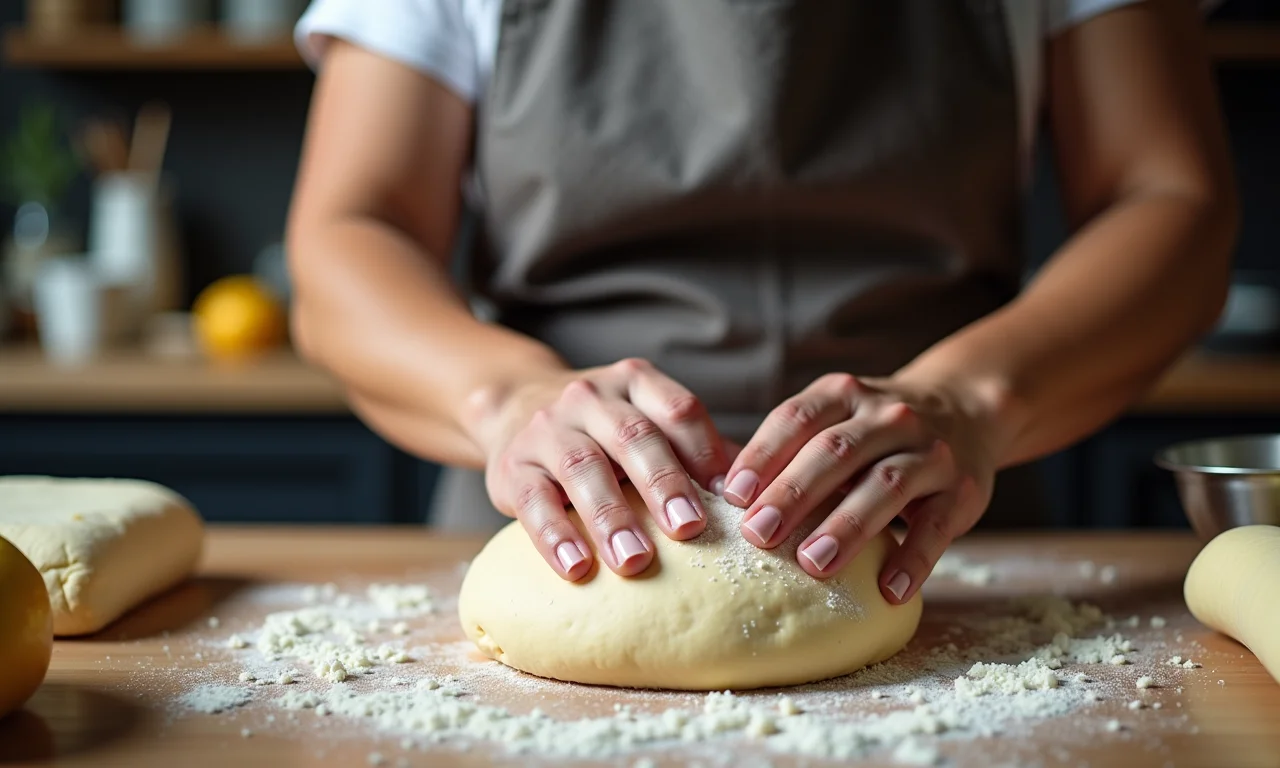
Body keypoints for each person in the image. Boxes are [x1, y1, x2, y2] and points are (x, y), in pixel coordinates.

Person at [286, 0, 1237, 606]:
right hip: (567, 524)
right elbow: (351, 232)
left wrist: (968, 405)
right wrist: (506, 399)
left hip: (940, 541)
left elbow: (1172, 203)